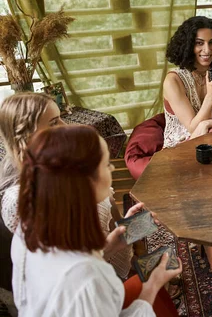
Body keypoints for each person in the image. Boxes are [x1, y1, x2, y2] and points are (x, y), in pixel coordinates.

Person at [11, 125, 182, 316]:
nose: (113, 167)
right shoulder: (87, 280)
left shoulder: (29, 226)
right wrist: (154, 285)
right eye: (106, 164)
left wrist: (115, 242)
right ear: (86, 182)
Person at [0, 93, 132, 280]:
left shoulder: (63, 162)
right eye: (54, 123)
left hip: (113, 262)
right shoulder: (21, 200)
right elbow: (62, 272)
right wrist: (115, 244)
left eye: (61, 118)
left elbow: (107, 209)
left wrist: (129, 228)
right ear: (28, 137)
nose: (66, 126)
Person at [163, 16, 212, 148]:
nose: (207, 49)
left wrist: (208, 124)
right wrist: (210, 98)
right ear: (187, 46)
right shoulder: (173, 80)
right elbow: (193, 129)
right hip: (182, 145)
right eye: (199, 43)